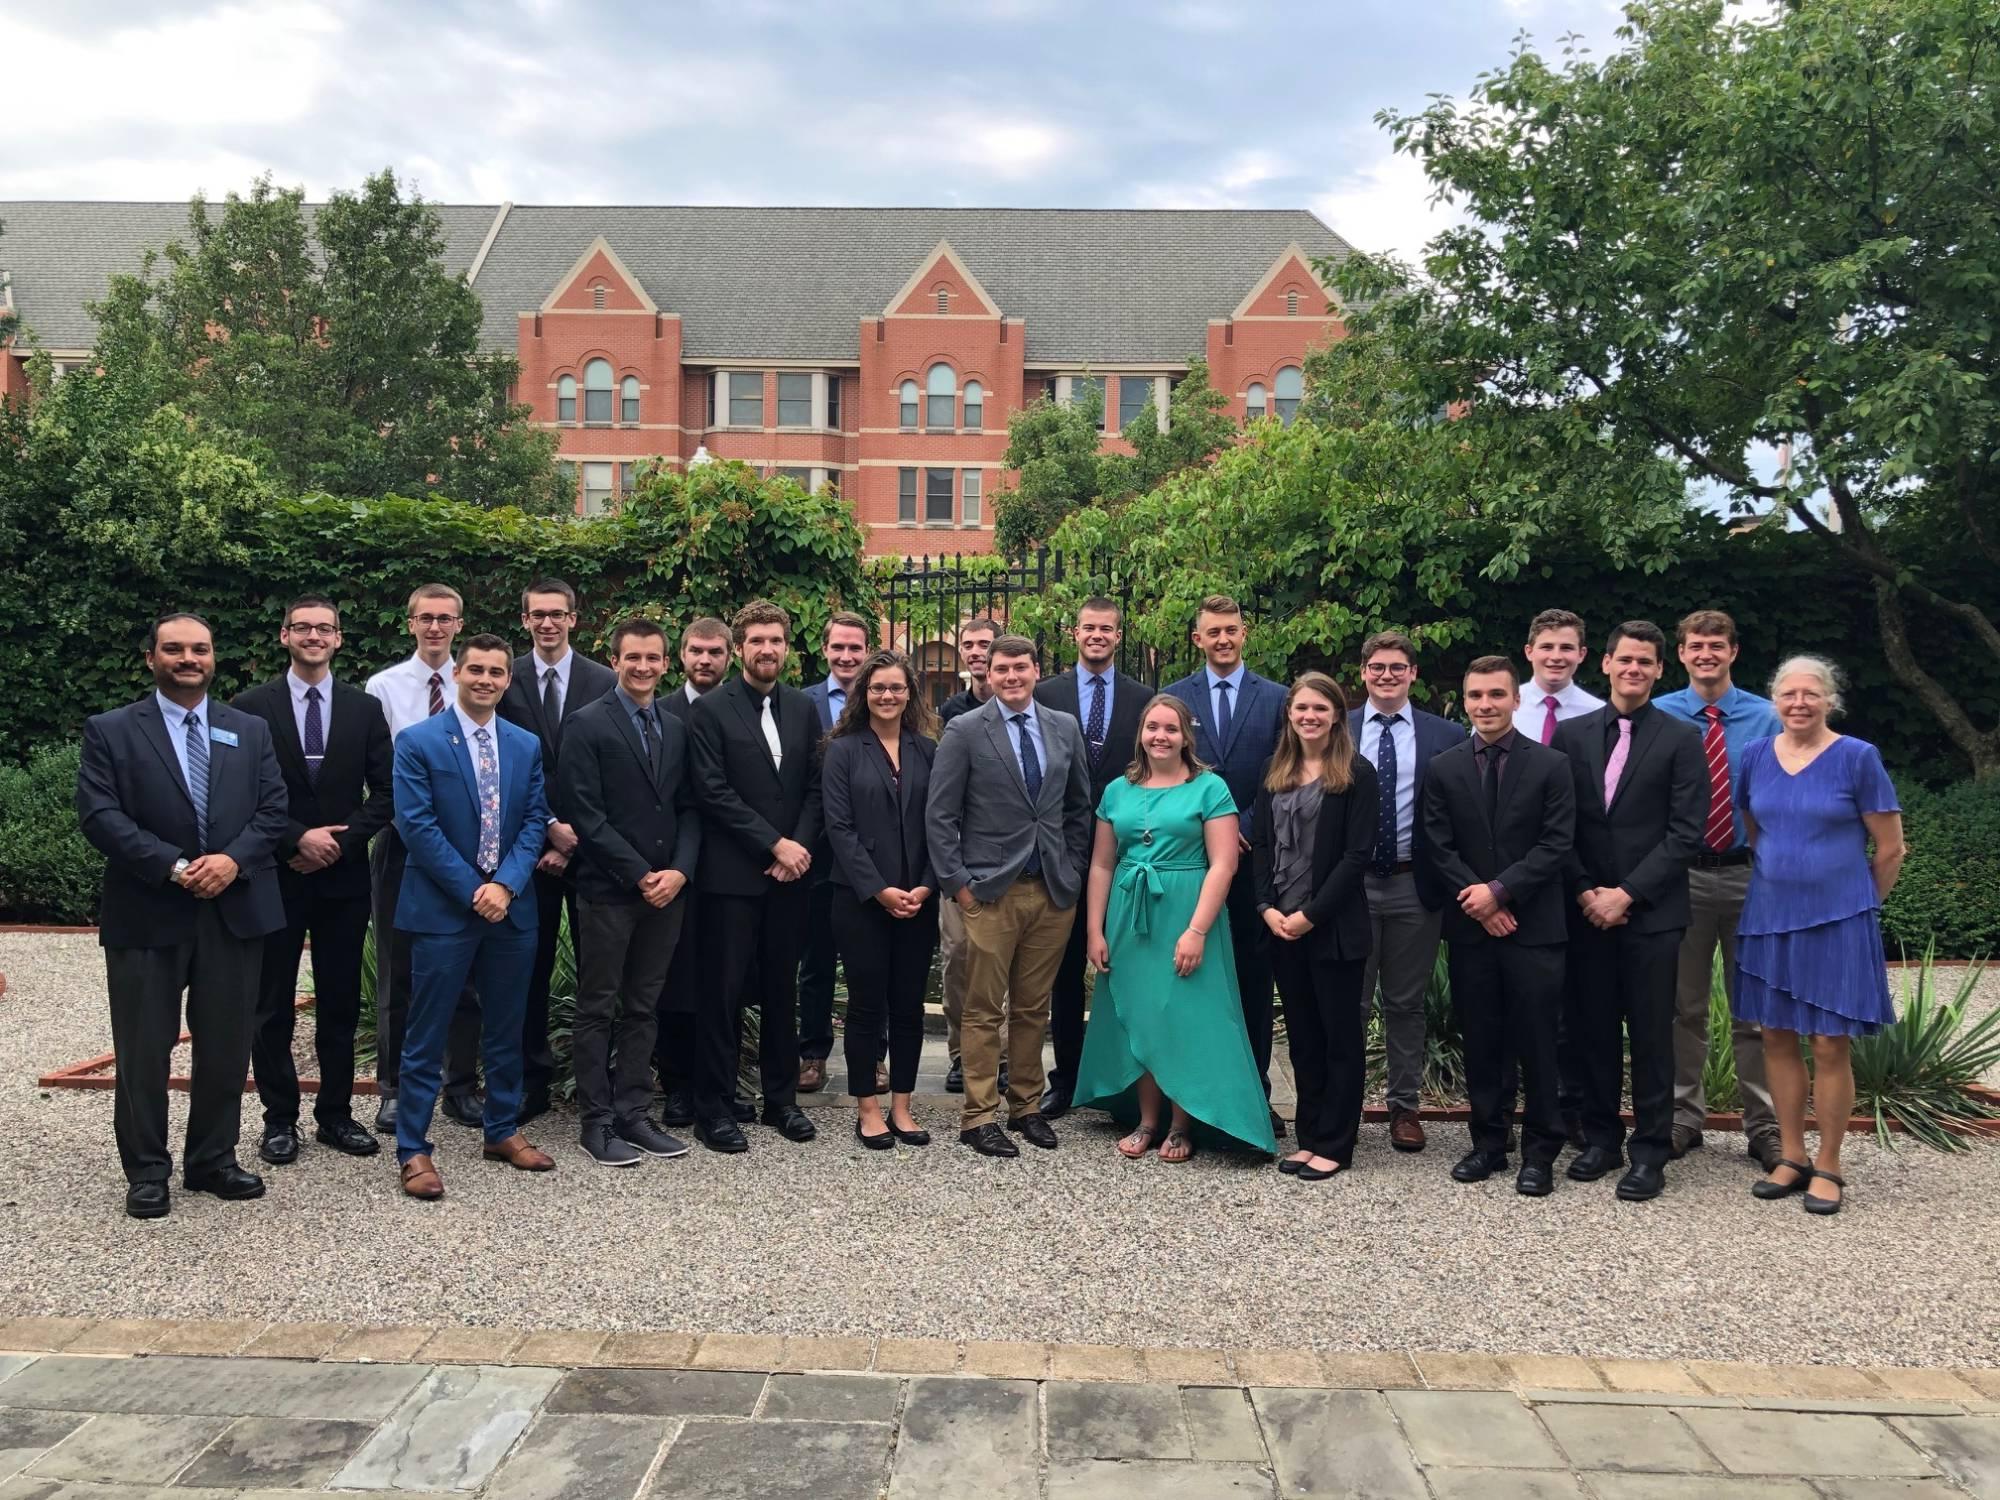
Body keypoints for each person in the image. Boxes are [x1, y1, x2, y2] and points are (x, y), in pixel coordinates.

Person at [76, 613, 289, 1219]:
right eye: (174, 649)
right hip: (148, 909)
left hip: (234, 906)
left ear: (214, 657)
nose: (188, 658)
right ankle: (147, 1171)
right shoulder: (111, 730)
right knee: (144, 1047)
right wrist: (174, 866)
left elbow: (273, 810)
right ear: (151, 658)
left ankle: (212, 1160)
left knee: (225, 1044)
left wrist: (231, 861)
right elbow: (100, 815)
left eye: (199, 649)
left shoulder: (246, 729)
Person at [1073, 692, 1276, 1162]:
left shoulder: (1209, 789)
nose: (1160, 736)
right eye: (1152, 728)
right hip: (1129, 915)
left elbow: (1224, 864)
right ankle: (1148, 1119)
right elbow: (1102, 864)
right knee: (1140, 1014)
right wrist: (1094, 930)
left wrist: (1198, 930)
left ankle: (1183, 1124)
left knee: (1184, 1015)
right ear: (1140, 734)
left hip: (1187, 910)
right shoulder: (1117, 791)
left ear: (1186, 736)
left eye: (1170, 728)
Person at [1735, 657, 1905, 1215]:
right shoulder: (1756, 756)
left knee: (1831, 1043)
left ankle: (1829, 1163)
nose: (1799, 703)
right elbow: (1757, 831)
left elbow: (1890, 848)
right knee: (1777, 1037)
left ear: (1830, 700)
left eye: (1811, 694)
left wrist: (1857, 906)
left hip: (1838, 921)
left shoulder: (1858, 758)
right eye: (1788, 694)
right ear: (1774, 701)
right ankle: (1791, 1155)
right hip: (1769, 916)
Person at [390, 634, 555, 1198]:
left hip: (510, 909)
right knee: (426, 1034)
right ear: (457, 673)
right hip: (443, 909)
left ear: (509, 680)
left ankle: (501, 1129)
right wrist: (473, 889)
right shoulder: (418, 742)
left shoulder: (525, 744)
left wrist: (505, 885)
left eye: (497, 672)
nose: (486, 679)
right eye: (476, 670)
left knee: (506, 1027)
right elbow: (416, 826)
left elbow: (536, 820)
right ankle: (413, 1149)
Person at [232, 594, 393, 1167]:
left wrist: (337, 843)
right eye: (303, 627)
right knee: (270, 1001)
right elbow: (240, 793)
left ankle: (336, 1115)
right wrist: (296, 837)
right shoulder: (249, 708)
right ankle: (279, 1121)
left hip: (342, 878)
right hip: (274, 874)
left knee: (341, 1000)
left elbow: (388, 793)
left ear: (339, 639)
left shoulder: (363, 708)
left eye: (325, 629)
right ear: (284, 635)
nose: (314, 636)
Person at [1551, 620, 1706, 1202]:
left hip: (1652, 913)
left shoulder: (1680, 738)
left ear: (1660, 669)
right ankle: (1600, 1139)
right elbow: (1558, 825)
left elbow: (1686, 832)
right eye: (1625, 660)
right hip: (1586, 909)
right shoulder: (1572, 736)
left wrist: (1627, 894)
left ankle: (1649, 1150)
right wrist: (1589, 889)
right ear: (1607, 664)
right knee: (1591, 1031)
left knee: (1650, 1035)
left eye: (1646, 661)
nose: (1634, 669)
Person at [926, 633, 1094, 1157]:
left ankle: (1025, 1107)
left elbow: (1077, 808)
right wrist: (960, 886)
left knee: (1032, 1007)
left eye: (1021, 668)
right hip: (989, 892)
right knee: (982, 1009)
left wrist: (1072, 870)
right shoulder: (965, 729)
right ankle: (979, 1116)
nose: (1012, 677)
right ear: (989, 674)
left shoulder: (1063, 727)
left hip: (1051, 892)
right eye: (1002, 669)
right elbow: (940, 814)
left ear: (1036, 670)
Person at [1421, 657, 1576, 1196]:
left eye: (1495, 695)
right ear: (1464, 701)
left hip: (1534, 927)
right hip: (1471, 929)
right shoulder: (1444, 767)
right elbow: (1437, 845)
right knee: (1482, 1039)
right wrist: (1480, 901)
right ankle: (1489, 1143)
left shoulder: (1552, 765)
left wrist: (1501, 892)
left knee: (1538, 1042)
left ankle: (1540, 1151)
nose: (1485, 705)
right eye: (1475, 696)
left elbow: (1556, 844)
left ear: (1516, 699)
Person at [559, 618, 701, 1168]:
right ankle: (596, 1123)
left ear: (666, 663)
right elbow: (585, 814)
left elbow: (689, 808)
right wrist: (640, 872)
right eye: (632, 657)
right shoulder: (587, 724)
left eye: (653, 658)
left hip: (666, 893)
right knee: (598, 1007)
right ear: (614, 661)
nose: (643, 667)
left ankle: (635, 1114)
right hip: (611, 892)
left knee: (644, 1007)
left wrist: (679, 873)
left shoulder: (674, 726)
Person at [686, 600, 822, 1152]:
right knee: (721, 996)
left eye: (776, 640)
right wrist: (774, 843)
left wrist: (799, 848)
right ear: (739, 647)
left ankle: (781, 1101)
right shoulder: (711, 711)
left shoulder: (802, 708)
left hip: (789, 879)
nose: (767, 649)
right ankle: (714, 1108)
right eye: (757, 641)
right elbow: (711, 791)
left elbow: (815, 785)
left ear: (787, 647)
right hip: (731, 878)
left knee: (780, 991)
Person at [1655, 609, 1784, 1170]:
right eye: (1695, 646)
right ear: (1680, 655)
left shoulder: (1769, 718)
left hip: (1749, 874)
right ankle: (1684, 1117)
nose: (1706, 654)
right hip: (1679, 877)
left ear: (1733, 651)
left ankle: (1765, 1125)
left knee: (1754, 1009)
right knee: (1683, 1007)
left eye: (1716, 645)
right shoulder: (1659, 715)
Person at [1163, 595, 1287, 1131]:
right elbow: (1164, 776)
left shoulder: (1277, 699)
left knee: (1254, 980)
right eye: (1212, 632)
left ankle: (1254, 1091)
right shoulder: (1173, 700)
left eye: (1231, 630)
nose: (1223, 639)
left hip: (1255, 861)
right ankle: (1191, 1094)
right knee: (1195, 980)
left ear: (1244, 634)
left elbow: (1286, 771)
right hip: (1192, 865)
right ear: (1198, 639)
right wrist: (1207, 833)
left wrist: (1242, 828)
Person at [364, 583, 481, 1136]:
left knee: (467, 973)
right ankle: (396, 1089)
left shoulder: (474, 681)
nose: (436, 627)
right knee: (398, 969)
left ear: (459, 624)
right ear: (410, 623)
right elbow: (382, 774)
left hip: (469, 843)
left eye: (446, 619)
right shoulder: (382, 687)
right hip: (403, 843)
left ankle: (460, 1085)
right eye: (426, 618)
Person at [498, 577, 615, 1124]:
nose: (547, 623)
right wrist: (546, 827)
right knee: (528, 968)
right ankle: (531, 1081)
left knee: (601, 970)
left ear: (574, 618)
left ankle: (600, 1084)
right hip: (527, 849)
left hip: (593, 853)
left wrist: (576, 839)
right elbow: (501, 765)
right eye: (537, 615)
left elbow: (615, 772)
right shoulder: (504, 677)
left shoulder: (605, 680)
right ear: (525, 621)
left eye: (557, 614)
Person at [1250, 674, 1376, 1180]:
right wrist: (1265, 907)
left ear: (1337, 716)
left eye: (1320, 708)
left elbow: (1356, 856)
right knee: (1301, 1038)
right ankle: (1309, 1136)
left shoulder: (1357, 775)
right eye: (1301, 707)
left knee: (1339, 1037)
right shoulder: (1273, 770)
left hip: (1332, 927)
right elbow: (1260, 844)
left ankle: (1336, 1143)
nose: (1309, 716)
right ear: (1289, 714)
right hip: (1282, 925)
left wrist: (1311, 915)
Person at [1351, 630, 1469, 1154]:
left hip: (1412, 885)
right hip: (1351, 888)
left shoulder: (1445, 735)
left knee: (1405, 1003)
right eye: (1377, 667)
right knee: (1348, 1001)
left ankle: (1404, 1107)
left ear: (1413, 674)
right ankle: (1344, 1103)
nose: (1387, 676)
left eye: (1397, 667)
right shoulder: (1341, 728)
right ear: (1363, 673)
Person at [1034, 597, 1150, 1119]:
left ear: (1118, 636)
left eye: (1106, 628)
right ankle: (1066, 1079)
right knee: (1060, 971)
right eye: (1089, 628)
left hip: (1124, 858)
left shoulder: (1145, 699)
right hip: (1057, 853)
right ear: (1073, 633)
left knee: (1123, 967)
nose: (1097, 635)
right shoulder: (1045, 694)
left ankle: (1123, 1080)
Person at [821, 651, 939, 1148]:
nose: (887, 696)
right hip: (861, 900)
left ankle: (903, 1107)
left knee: (909, 1005)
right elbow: (839, 829)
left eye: (896, 687)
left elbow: (943, 822)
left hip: (919, 897)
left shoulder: (929, 750)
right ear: (863, 694)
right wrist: (880, 890)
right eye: (877, 688)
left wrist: (928, 884)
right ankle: (867, 1108)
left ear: (910, 693)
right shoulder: (842, 750)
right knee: (868, 1006)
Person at [655, 616, 732, 1127]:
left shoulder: (745, 710)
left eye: (715, 652)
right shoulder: (659, 712)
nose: (705, 660)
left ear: (730, 657)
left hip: (731, 870)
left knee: (724, 981)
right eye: (696, 651)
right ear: (680, 656)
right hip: (674, 869)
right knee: (673, 983)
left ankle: (718, 1084)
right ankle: (677, 1086)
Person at [799, 610, 876, 1096]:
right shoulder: (802, 704)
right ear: (825, 650)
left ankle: (876, 1056)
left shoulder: (883, 699)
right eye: (838, 647)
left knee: (874, 961)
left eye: (855, 648)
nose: (846, 656)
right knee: (816, 960)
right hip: (817, 856)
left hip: (873, 855)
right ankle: (812, 1053)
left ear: (867, 651)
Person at [936, 615, 1000, 1094]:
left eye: (986, 644)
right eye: (970, 644)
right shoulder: (945, 715)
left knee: (1007, 968)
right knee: (959, 959)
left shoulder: (1027, 709)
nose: (977, 652)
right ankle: (961, 1054)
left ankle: (1001, 1058)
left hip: (1013, 862)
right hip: (960, 862)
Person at [1515, 608, 1606, 742]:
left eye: (1566, 648)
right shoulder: (1503, 708)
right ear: (1529, 652)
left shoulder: (1598, 713)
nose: (1556, 657)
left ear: (1581, 654)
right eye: (1547, 647)